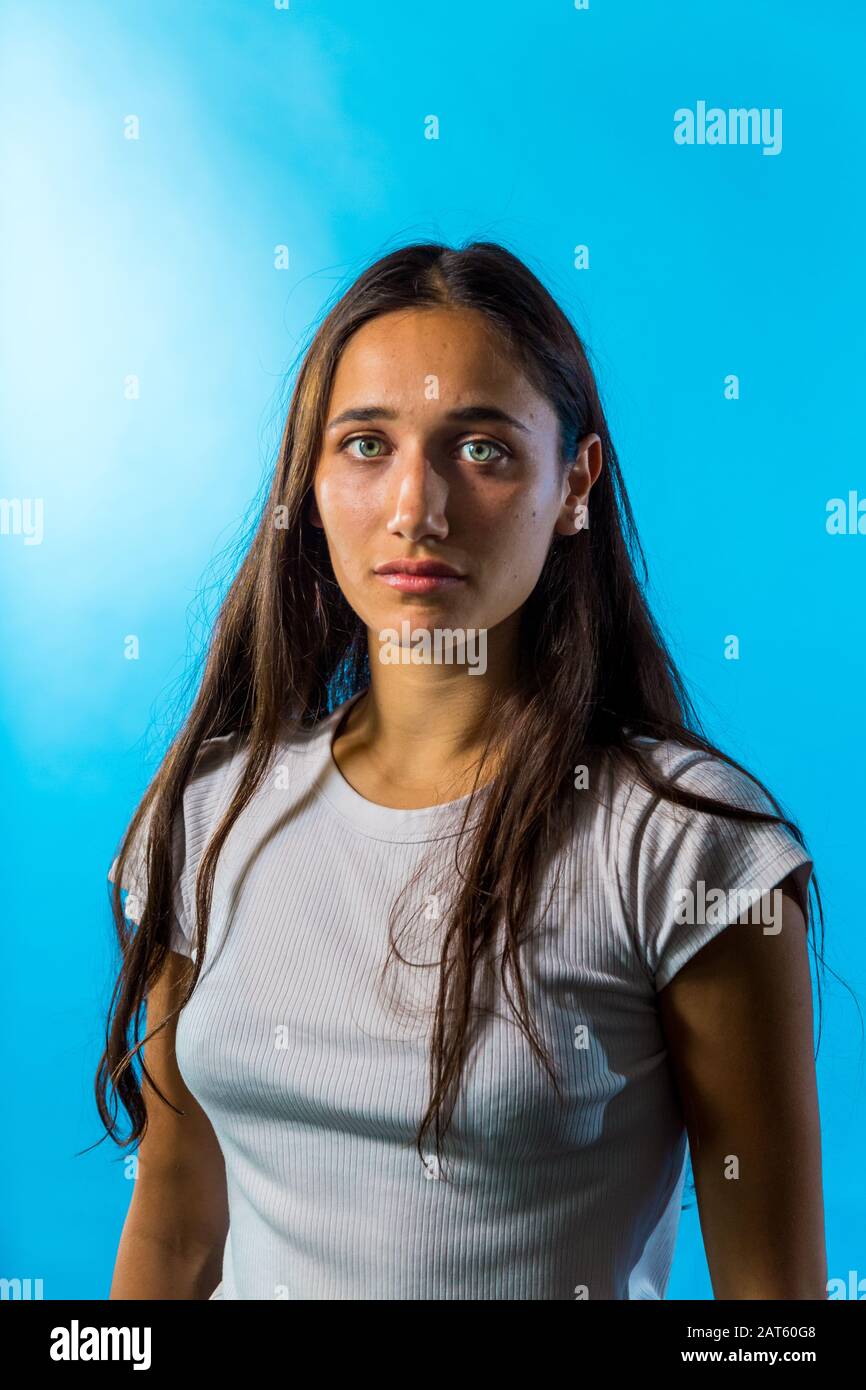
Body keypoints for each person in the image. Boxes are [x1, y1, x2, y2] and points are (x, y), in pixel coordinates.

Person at [101, 240, 826, 1300]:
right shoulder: (206, 813)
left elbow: (772, 1311)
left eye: (479, 449)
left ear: (572, 481)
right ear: (310, 477)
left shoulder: (686, 847)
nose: (415, 509)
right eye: (364, 445)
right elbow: (169, 1236)